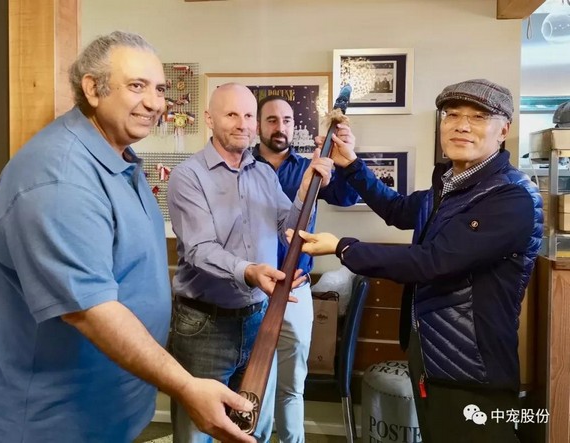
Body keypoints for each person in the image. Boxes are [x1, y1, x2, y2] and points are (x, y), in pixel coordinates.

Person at [0, 31, 256, 443]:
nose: (154, 102)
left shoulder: (118, 156)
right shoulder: (59, 176)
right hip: (54, 420)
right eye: (136, 86)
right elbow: (90, 311)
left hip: (109, 407)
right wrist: (185, 385)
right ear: (92, 89)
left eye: (160, 89)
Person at [290, 79, 543, 443]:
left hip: (472, 369)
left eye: (478, 117)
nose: (461, 125)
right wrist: (352, 165)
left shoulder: (511, 197)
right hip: (431, 356)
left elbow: (432, 262)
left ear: (503, 130)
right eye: (452, 115)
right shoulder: (450, 187)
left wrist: (342, 247)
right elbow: (396, 209)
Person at [166, 83, 334, 443]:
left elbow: (288, 229)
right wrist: (249, 271)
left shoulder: (264, 174)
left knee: (250, 426)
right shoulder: (188, 176)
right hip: (204, 325)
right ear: (210, 119)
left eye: (247, 115)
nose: (242, 124)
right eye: (231, 114)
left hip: (258, 320)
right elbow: (199, 249)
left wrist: (305, 192)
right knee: (197, 432)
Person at [252, 95, 358, 442]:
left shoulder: (309, 167)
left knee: (292, 385)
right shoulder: (242, 167)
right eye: (271, 120)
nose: (280, 127)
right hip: (252, 289)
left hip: (295, 287)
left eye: (286, 120)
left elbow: (347, 197)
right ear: (258, 125)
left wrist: (344, 158)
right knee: (256, 383)